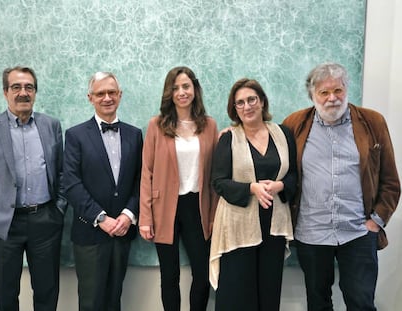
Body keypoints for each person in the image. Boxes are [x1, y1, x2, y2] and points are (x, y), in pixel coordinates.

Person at [282, 62, 401, 311]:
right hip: (311, 232)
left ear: (347, 89)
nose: (332, 98)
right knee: (318, 302)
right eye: (324, 92)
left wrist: (375, 222)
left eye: (338, 90)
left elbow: (390, 181)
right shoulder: (295, 124)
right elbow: (275, 158)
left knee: (361, 302)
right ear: (312, 95)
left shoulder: (372, 122)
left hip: (357, 231)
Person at [209, 78, 297, 311]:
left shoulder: (284, 134)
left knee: (269, 296)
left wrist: (280, 186)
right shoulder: (229, 138)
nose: (247, 106)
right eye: (240, 103)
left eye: (251, 100)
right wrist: (251, 188)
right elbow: (218, 182)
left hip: (273, 228)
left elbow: (295, 177)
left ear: (262, 102)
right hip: (239, 228)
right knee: (238, 297)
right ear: (234, 109)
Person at [139, 66, 218, 311]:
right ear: (169, 93)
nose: (181, 92)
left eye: (186, 86)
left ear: (194, 89)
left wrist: (215, 215)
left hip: (198, 207)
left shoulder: (209, 126)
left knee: (203, 275)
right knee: (169, 276)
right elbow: (146, 172)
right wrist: (145, 217)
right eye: (175, 88)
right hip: (165, 209)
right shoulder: (157, 125)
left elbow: (216, 175)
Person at [0, 66, 67, 311]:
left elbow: (62, 170)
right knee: (5, 294)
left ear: (35, 92)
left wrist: (58, 209)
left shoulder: (51, 125)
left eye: (29, 87)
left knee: (46, 291)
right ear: (5, 92)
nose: (23, 93)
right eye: (16, 87)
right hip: (3, 225)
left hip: (44, 220)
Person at [63, 72, 142, 311]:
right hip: (90, 234)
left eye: (112, 92)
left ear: (120, 95)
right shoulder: (75, 135)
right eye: (100, 93)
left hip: (123, 232)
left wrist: (128, 215)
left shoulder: (135, 134)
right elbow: (71, 183)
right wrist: (102, 219)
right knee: (91, 302)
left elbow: (142, 180)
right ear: (90, 98)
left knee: (114, 298)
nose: (107, 98)